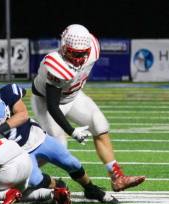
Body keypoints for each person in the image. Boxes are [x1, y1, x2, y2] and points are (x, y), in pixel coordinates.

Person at [30, 24, 145, 192]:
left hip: (73, 96)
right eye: (74, 53)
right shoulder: (55, 64)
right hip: (46, 102)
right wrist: (72, 131)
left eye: (83, 53)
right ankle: (20, 170)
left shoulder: (93, 48)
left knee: (99, 124)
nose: (79, 58)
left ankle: (117, 178)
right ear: (64, 47)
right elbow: (53, 106)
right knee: (58, 146)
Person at [0, 84, 117, 204]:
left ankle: (90, 189)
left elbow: (23, 115)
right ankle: (58, 185)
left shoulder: (7, 93)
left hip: (36, 137)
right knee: (35, 180)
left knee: (71, 162)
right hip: (19, 154)